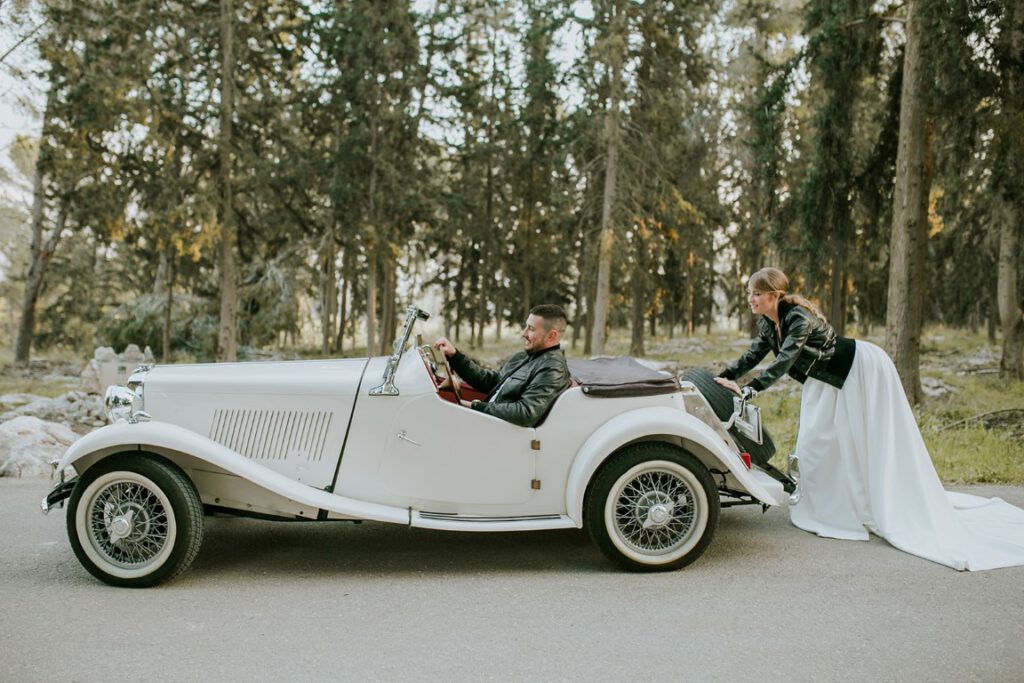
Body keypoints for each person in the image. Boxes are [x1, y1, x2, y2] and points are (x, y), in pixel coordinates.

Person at [714, 267, 1024, 571]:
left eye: (756, 294)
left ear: (775, 295)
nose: (750, 299)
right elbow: (753, 355)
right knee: (815, 442)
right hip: (823, 379)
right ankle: (833, 507)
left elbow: (785, 360)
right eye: (749, 293)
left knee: (856, 438)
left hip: (858, 368)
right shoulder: (769, 324)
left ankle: (857, 505)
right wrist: (724, 377)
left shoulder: (798, 318)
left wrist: (751, 388)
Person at [434, 304, 571, 428]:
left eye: (531, 329)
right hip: (487, 422)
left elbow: (525, 413)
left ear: (551, 335)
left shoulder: (553, 368)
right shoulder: (525, 356)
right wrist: (455, 356)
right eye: (526, 327)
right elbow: (490, 381)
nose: (524, 334)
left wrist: (476, 406)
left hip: (497, 431)